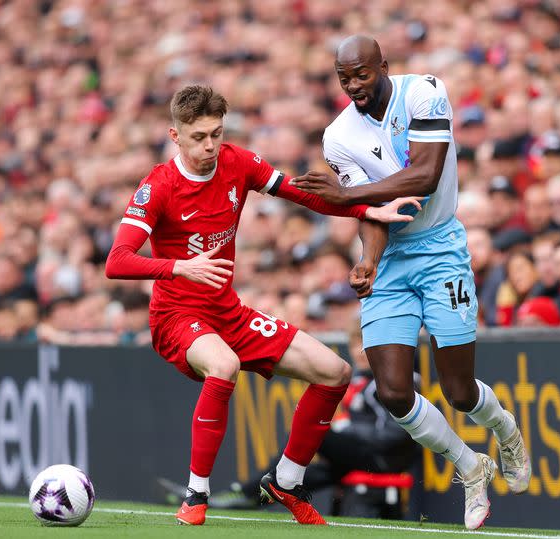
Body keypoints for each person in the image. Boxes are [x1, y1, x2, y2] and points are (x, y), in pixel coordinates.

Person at [104, 85, 419, 526]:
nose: (210, 146)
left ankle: (286, 481)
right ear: (175, 136)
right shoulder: (158, 186)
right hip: (177, 316)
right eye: (198, 137)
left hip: (226, 312)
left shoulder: (238, 161)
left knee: (335, 372)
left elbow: (301, 193)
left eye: (216, 133)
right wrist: (179, 268)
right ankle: (196, 495)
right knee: (225, 365)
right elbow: (117, 262)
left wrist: (365, 211)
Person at [290, 36, 531, 530]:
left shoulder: (424, 92)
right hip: (393, 260)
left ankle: (504, 429)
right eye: (344, 78)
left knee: (459, 391)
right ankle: (470, 466)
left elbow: (424, 175)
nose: (354, 85)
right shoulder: (338, 137)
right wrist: (369, 260)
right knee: (395, 392)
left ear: (383, 66)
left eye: (361, 74)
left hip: (442, 250)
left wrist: (345, 194)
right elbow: (372, 213)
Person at [207, 320, 418, 517]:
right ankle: (252, 494)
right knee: (312, 471)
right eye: (355, 344)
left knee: (314, 432)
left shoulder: (392, 384)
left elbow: (397, 433)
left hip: (384, 458)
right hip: (367, 454)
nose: (360, 351)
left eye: (366, 343)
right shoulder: (363, 379)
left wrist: (347, 430)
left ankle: (248, 493)